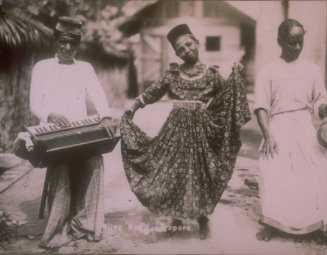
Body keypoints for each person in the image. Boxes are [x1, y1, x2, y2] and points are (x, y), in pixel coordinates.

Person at [120, 24, 251, 240]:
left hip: (202, 131)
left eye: (189, 44)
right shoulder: (172, 74)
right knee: (174, 171)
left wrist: (236, 75)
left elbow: (228, 94)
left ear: (197, 43)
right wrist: (133, 107)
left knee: (202, 172)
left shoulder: (211, 74)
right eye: (180, 49)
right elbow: (153, 92)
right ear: (176, 53)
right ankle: (176, 219)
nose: (186, 50)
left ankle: (203, 219)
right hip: (175, 131)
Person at [26, 16, 115, 249]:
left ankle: (85, 225)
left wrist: (105, 115)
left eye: (72, 43)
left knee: (95, 162)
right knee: (62, 168)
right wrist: (50, 115)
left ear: (78, 45)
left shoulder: (85, 68)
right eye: (63, 42)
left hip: (82, 134)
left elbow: (98, 94)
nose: (67, 48)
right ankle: (57, 229)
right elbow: (35, 104)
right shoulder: (42, 67)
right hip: (56, 136)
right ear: (55, 42)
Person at [254, 19, 327, 243]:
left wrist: (326, 108)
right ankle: (271, 222)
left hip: (304, 125)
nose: (297, 48)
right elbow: (261, 106)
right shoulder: (268, 71)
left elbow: (320, 104)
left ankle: (316, 223)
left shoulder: (311, 69)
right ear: (280, 42)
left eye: (300, 42)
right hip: (278, 125)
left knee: (324, 167)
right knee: (272, 169)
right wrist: (268, 136)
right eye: (292, 43)